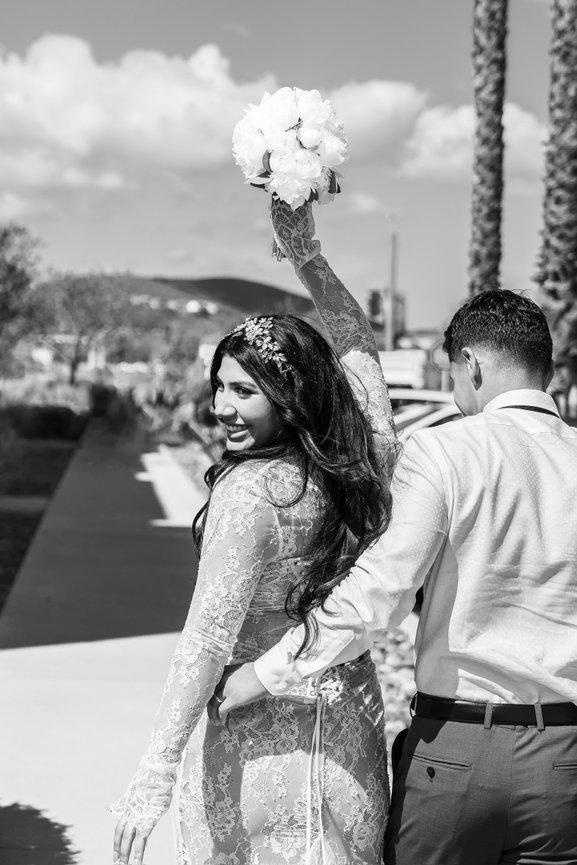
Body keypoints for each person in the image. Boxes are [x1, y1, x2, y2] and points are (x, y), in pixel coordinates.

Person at [215, 288, 577, 865]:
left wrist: (266, 671)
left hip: (457, 748)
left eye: (453, 374)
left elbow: (377, 595)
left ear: (472, 365)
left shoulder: (444, 450)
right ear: (548, 369)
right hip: (566, 761)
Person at [111, 199, 398, 865]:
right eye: (219, 387)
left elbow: (206, 638)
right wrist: (307, 255)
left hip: (255, 745)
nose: (219, 407)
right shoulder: (363, 463)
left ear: (289, 394)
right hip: (348, 735)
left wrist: (155, 770)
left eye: (243, 391)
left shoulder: (249, 492)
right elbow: (356, 341)